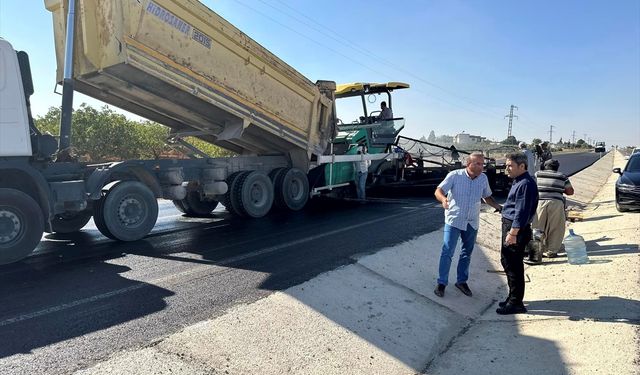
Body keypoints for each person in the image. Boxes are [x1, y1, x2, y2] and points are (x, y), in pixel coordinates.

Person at [433, 152, 502, 298]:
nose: (481, 166)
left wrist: (497, 205)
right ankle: (441, 283)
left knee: (466, 253)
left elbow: (486, 196)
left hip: (472, 221)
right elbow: (439, 190)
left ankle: (461, 281)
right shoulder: (455, 176)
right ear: (468, 164)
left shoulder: (483, 178)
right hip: (454, 220)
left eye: (482, 163)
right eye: (478, 163)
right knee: (447, 252)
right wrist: (443, 200)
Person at [497, 152, 538, 315]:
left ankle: (516, 303)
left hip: (516, 229)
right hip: (512, 226)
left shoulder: (525, 184)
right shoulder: (518, 181)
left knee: (513, 264)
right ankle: (513, 297)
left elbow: (521, 211)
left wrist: (513, 233)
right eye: (506, 165)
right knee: (508, 262)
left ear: (522, 166)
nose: (507, 168)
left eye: (510, 165)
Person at [532, 159, 574, 259]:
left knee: (537, 227)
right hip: (556, 203)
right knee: (556, 228)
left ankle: (536, 251)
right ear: (557, 167)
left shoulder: (537, 174)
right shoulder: (562, 176)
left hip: (539, 203)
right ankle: (552, 251)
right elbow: (570, 192)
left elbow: (531, 186)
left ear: (545, 166)